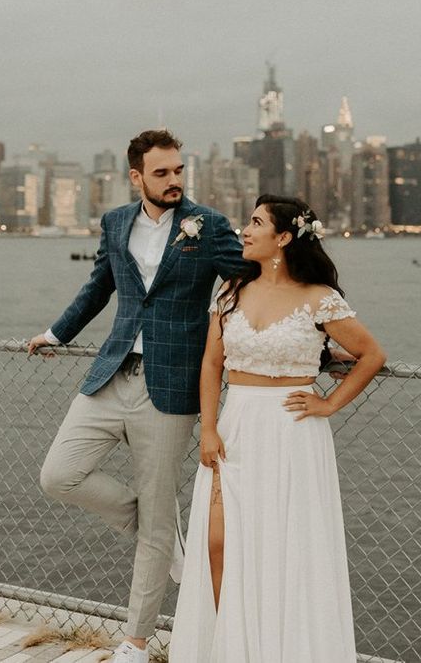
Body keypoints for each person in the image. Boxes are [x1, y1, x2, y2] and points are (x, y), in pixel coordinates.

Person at [27, 129, 245, 663]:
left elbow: (251, 279)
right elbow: (99, 286)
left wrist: (314, 333)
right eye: (162, 173)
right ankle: (163, 534)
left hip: (171, 386)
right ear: (136, 176)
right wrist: (57, 334)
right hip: (111, 373)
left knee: (154, 512)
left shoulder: (209, 226)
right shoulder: (115, 222)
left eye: (178, 171)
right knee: (59, 475)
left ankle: (136, 640)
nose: (174, 181)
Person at [169, 194, 386, 662]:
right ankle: (226, 650)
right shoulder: (230, 291)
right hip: (235, 425)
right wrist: (208, 429)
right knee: (218, 540)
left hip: (292, 431)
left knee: (284, 548)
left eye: (255, 222)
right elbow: (211, 364)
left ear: (283, 238)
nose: (244, 231)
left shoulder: (319, 300)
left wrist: (329, 404)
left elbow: (372, 356)